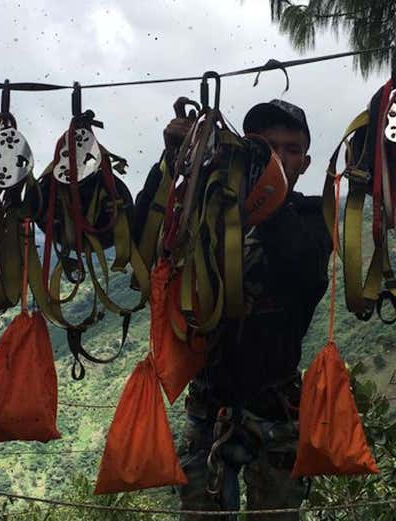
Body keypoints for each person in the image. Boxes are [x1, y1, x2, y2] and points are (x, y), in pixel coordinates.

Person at [134, 99, 331, 520]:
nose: (279, 157)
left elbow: (305, 270)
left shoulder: (312, 216)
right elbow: (142, 244)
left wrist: (265, 185)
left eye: (290, 149)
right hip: (210, 408)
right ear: (246, 150)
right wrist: (171, 162)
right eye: (267, 146)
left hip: (276, 409)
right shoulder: (205, 212)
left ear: (306, 161)